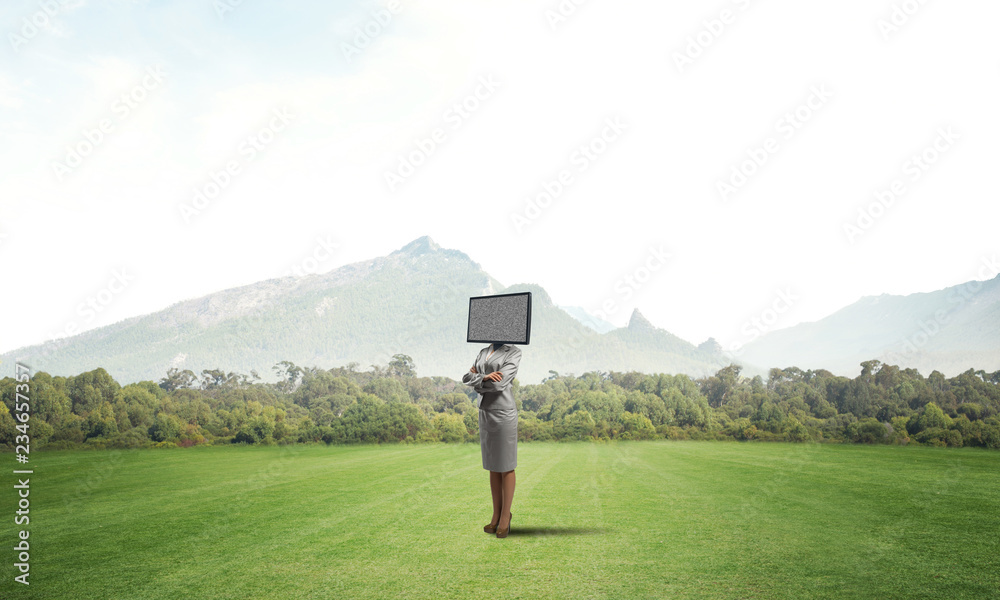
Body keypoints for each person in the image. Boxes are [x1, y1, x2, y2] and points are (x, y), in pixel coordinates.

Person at [462, 341, 522, 538]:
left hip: (503, 413)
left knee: (506, 464)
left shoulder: (513, 352)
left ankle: (506, 516)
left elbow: (499, 384)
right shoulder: (484, 351)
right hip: (485, 412)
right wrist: (484, 377)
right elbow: (465, 377)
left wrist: (478, 381)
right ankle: (495, 515)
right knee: (493, 465)